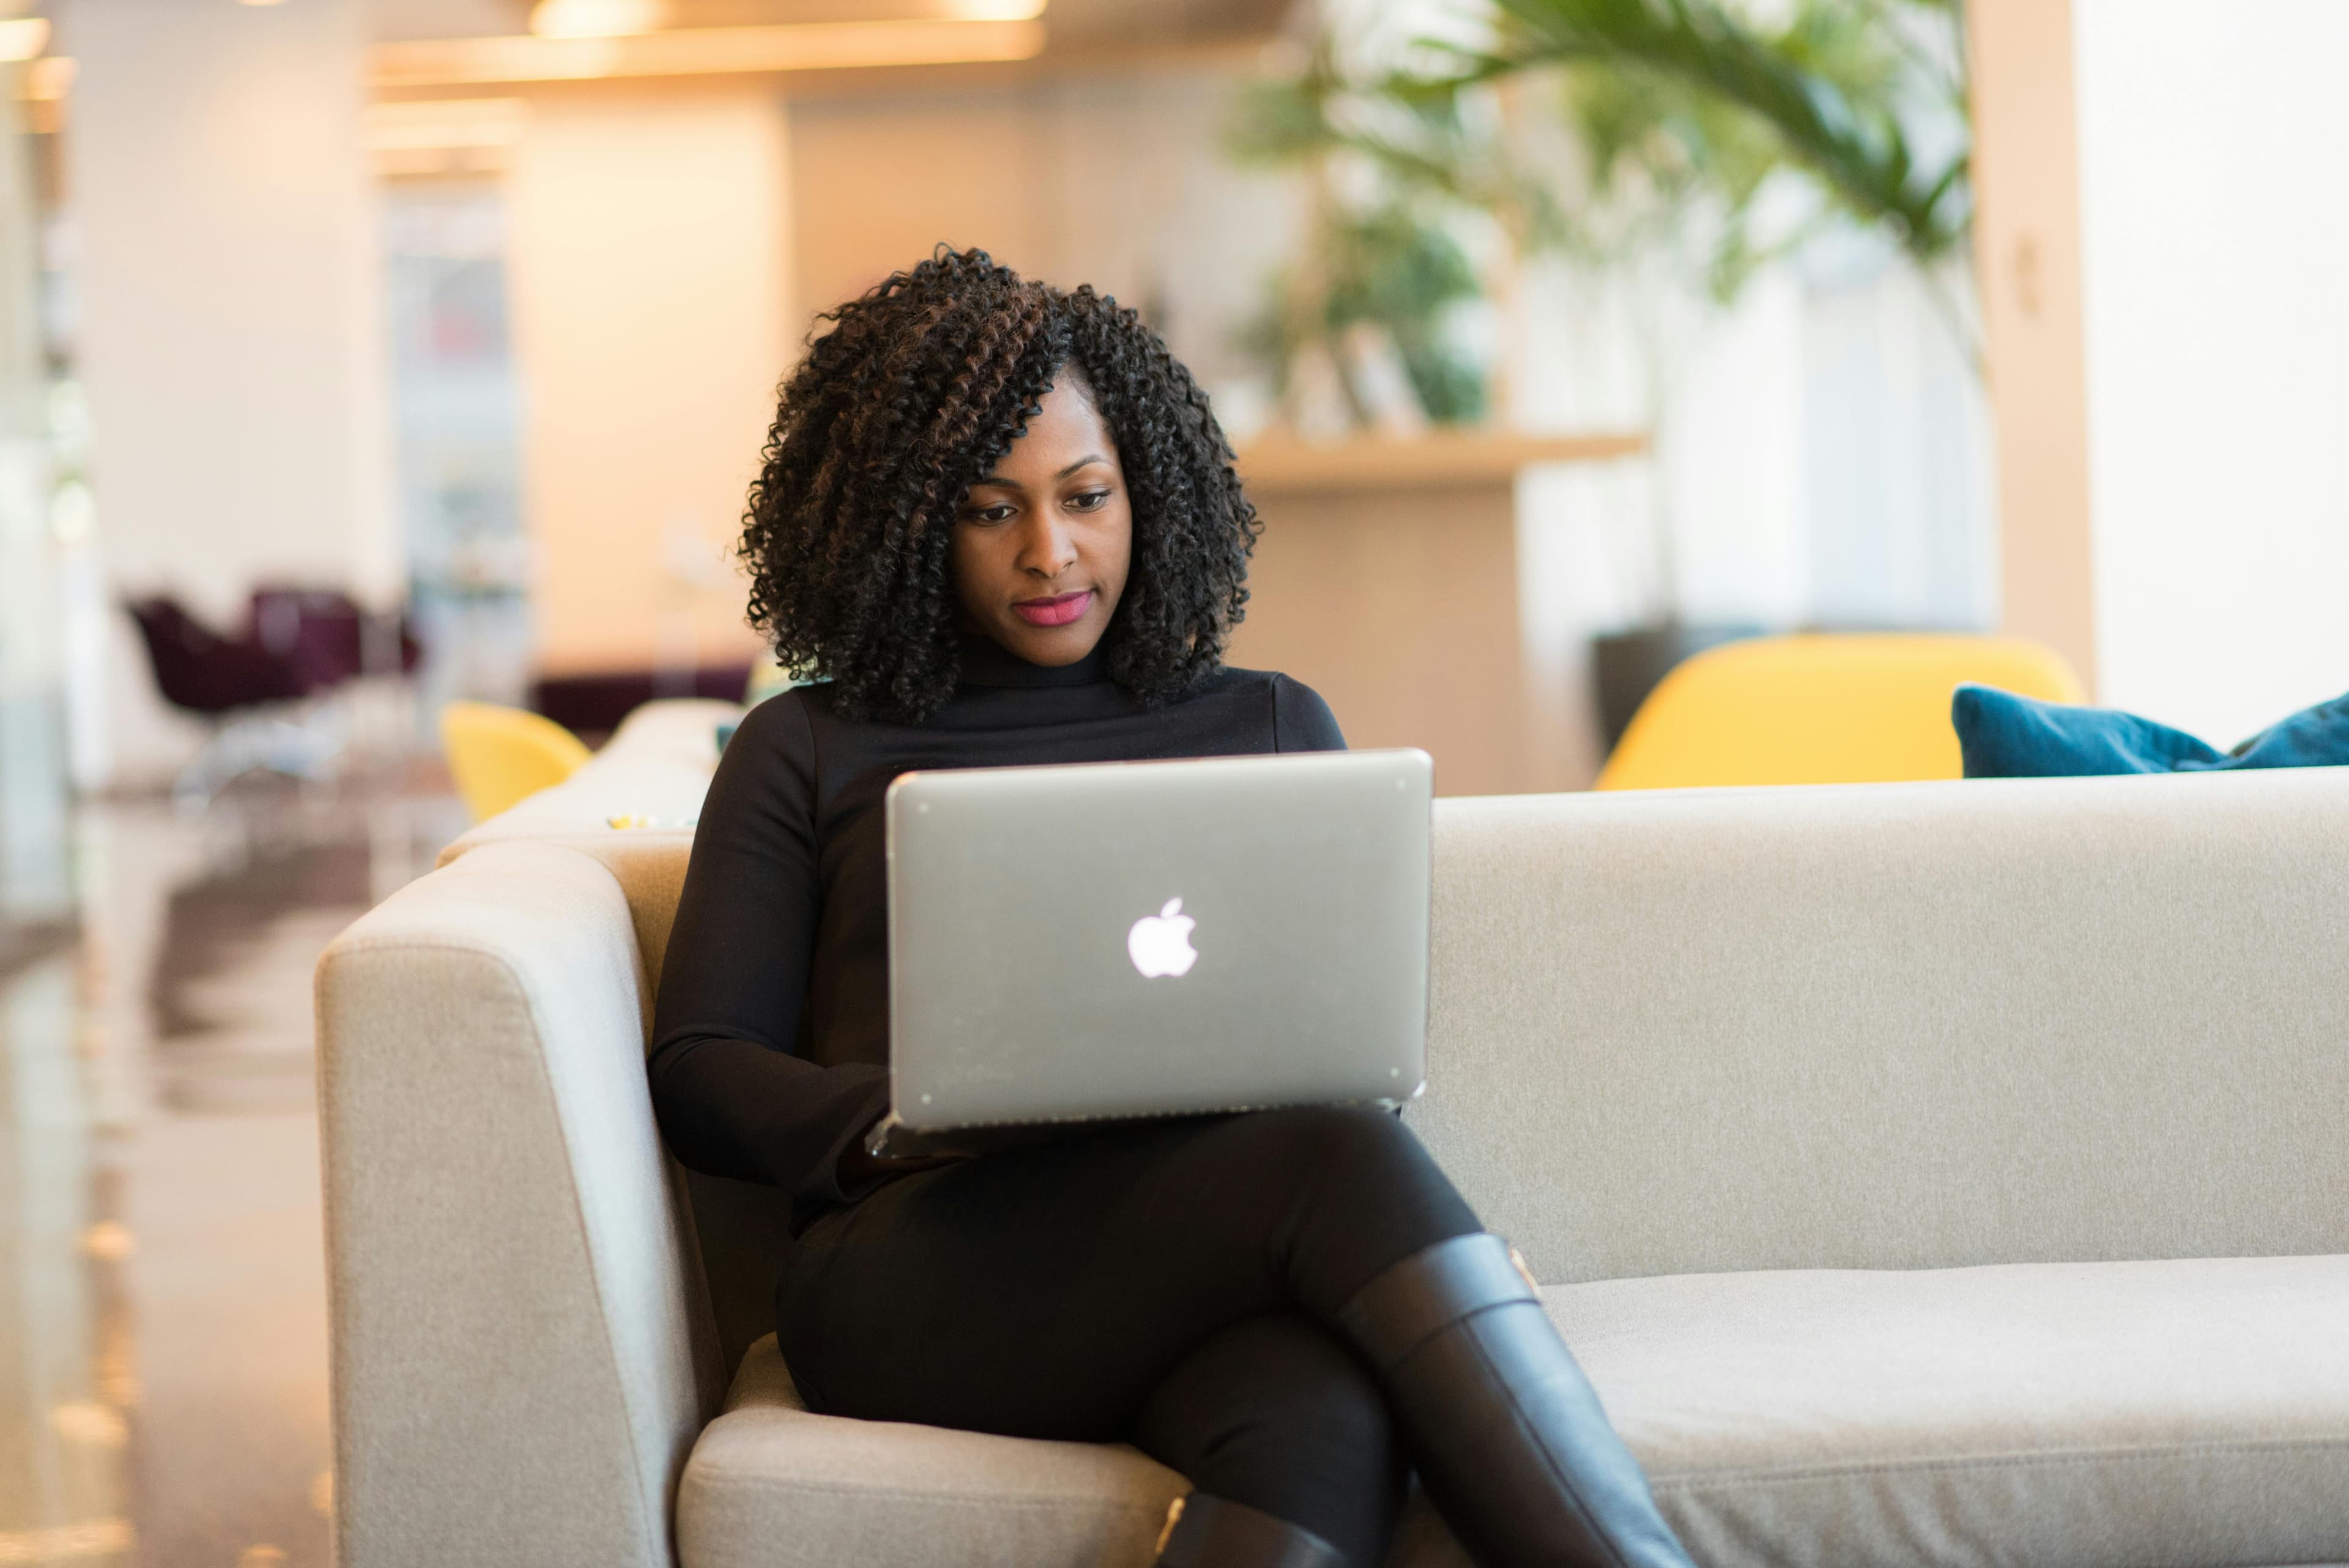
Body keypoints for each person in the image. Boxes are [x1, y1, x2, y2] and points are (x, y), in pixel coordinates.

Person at [650, 248, 1698, 1568]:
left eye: (1087, 496)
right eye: (991, 509)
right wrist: (900, 1119)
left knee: (1323, 1411)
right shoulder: (807, 744)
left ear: (1148, 488)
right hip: (916, 1269)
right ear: (908, 523)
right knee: (1334, 1160)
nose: (1051, 550)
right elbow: (699, 1068)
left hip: (1211, 1248)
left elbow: (1343, 1031)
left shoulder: (1270, 722)